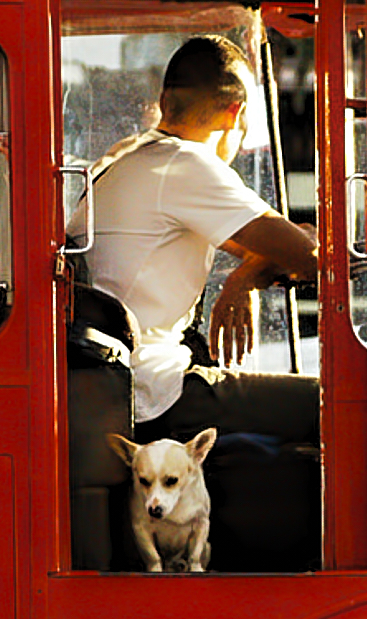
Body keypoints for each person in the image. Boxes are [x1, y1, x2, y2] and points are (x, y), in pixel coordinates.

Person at [66, 35, 318, 442]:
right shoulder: (187, 165)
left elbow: (272, 249)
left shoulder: (125, 156)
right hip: (157, 391)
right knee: (330, 403)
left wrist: (247, 274)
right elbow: (310, 255)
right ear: (236, 113)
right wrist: (246, 276)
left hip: (119, 384)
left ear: (165, 102)